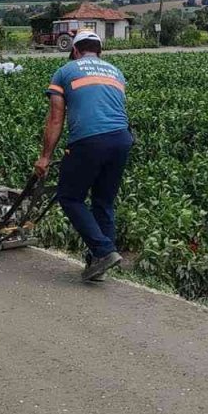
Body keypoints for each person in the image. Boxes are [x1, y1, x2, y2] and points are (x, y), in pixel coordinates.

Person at [34, 31, 133, 282]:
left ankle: (103, 250)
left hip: (89, 140)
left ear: (75, 51)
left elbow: (56, 117)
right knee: (104, 202)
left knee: (69, 197)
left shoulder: (66, 70)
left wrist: (45, 157)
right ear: (99, 51)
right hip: (121, 140)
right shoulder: (115, 72)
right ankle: (98, 263)